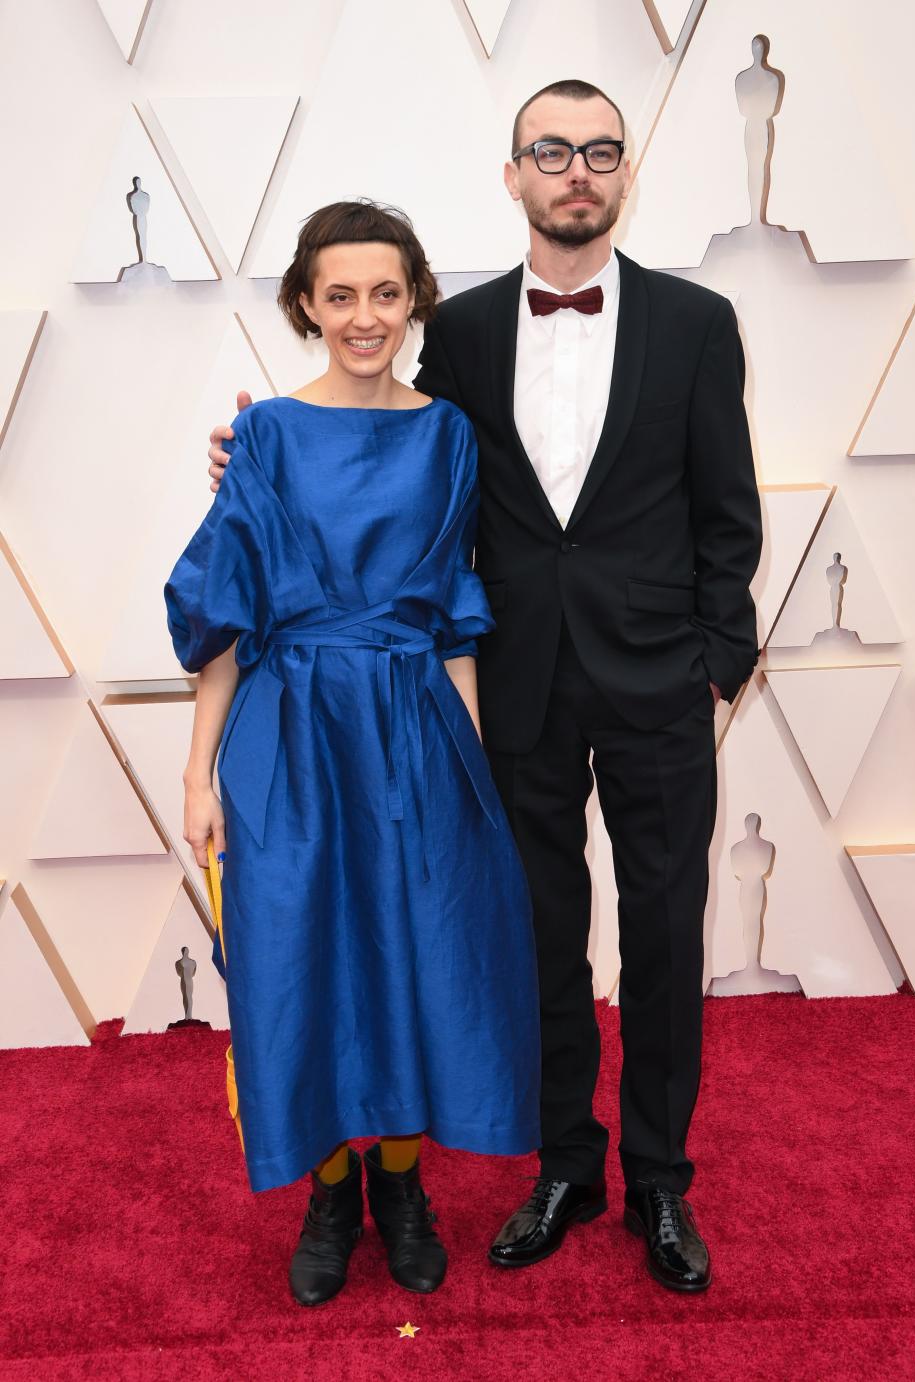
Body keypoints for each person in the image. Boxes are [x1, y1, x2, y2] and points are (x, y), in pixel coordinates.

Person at [208, 79, 762, 1295]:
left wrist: (716, 669)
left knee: (667, 934)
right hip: (508, 687)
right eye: (550, 151)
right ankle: (567, 1163)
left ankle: (660, 1181)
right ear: (512, 174)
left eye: (600, 150)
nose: (577, 170)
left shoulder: (697, 322)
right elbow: (377, 451)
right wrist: (248, 451)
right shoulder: (455, 339)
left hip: (662, 680)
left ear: (625, 172)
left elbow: (730, 512)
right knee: (539, 936)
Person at [168, 200, 540, 1308]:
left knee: (424, 952)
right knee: (302, 962)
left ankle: (403, 1184)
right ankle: (331, 1193)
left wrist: (468, 761)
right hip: (288, 734)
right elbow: (228, 613)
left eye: (385, 292)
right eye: (340, 295)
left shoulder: (450, 436)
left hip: (416, 727)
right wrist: (197, 775)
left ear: (414, 297)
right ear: (304, 305)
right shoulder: (268, 434)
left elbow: (458, 616)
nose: (364, 315)